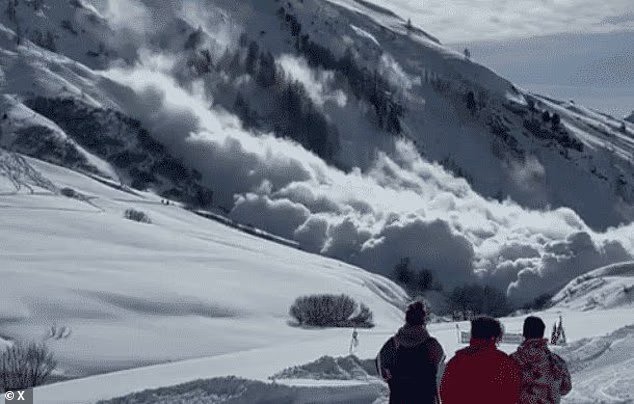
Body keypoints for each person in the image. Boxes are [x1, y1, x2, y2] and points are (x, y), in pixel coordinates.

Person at [440, 316, 521, 404]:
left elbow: (445, 393)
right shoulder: (504, 362)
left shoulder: (456, 362)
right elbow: (513, 393)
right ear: (494, 337)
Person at [376, 301, 445, 404]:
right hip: (426, 398)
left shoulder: (393, 343)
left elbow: (380, 367)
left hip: (399, 398)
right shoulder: (432, 345)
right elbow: (440, 368)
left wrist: (393, 382)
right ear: (423, 320)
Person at [511, 316, 572, 404]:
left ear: (524, 334)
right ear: (542, 334)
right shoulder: (557, 361)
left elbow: (505, 389)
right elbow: (566, 388)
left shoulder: (514, 359)